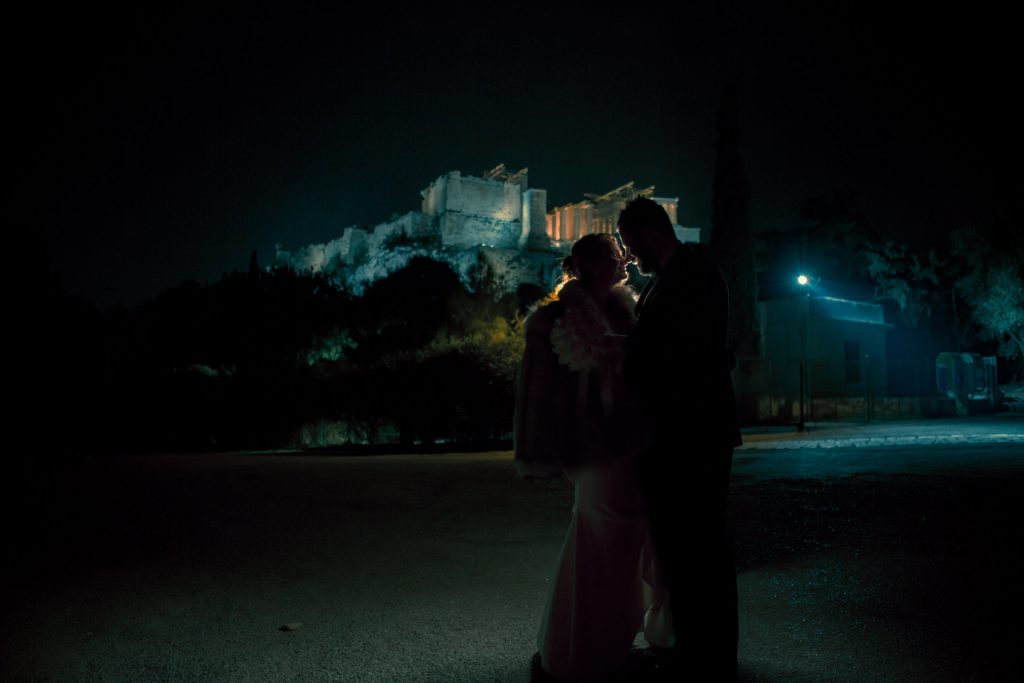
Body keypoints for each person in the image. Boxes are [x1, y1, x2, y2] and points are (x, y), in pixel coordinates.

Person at [514, 233, 673, 681]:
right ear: (586, 266)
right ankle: (576, 653)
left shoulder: (628, 309)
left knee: (626, 545)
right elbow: (538, 395)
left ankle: (609, 644)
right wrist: (547, 448)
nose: (623, 258)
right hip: (594, 452)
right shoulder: (554, 319)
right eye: (611, 254)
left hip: (633, 447)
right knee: (599, 544)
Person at [616, 197, 743, 679]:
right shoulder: (668, 279)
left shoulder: (695, 275)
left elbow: (689, 353)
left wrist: (627, 354)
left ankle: (710, 658)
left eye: (630, 242)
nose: (630, 255)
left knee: (701, 548)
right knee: (681, 548)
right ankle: (695, 650)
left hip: (693, 434)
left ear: (650, 231)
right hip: (676, 434)